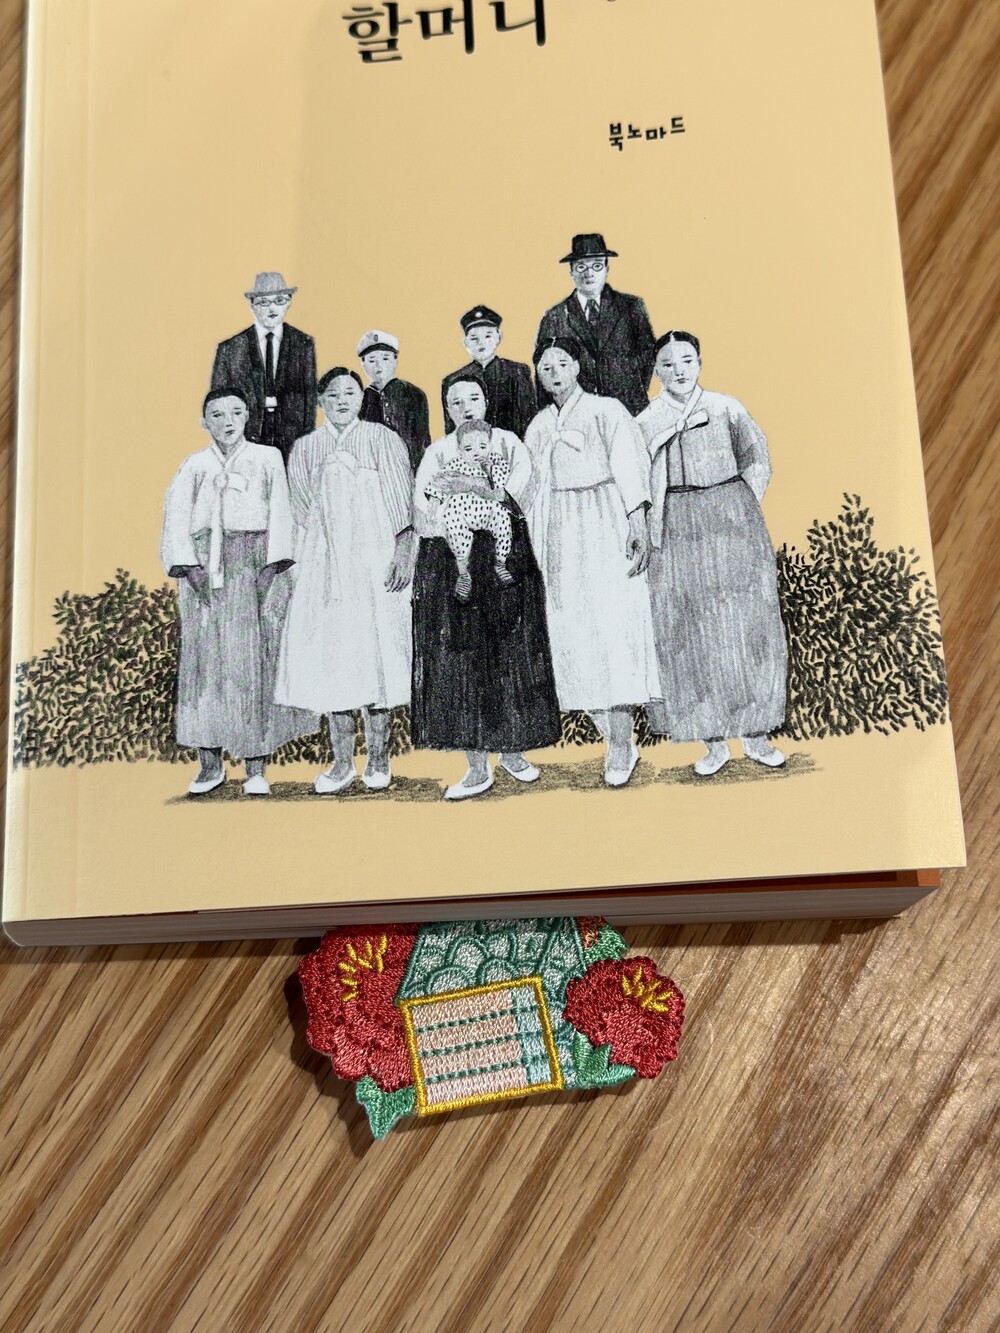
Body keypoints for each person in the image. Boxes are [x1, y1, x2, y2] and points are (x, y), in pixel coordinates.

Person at [636, 331, 787, 775]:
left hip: (730, 519)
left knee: (747, 625)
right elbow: (636, 480)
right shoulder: (645, 421)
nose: (678, 371)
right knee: (687, 630)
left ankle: (756, 735)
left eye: (686, 360)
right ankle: (712, 742)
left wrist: (740, 503)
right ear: (656, 371)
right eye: (667, 364)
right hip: (676, 525)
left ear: (699, 362)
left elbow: (757, 457)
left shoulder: (726, 407)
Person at [412, 374, 561, 800]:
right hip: (452, 557)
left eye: (473, 398)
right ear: (447, 409)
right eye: (456, 402)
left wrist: (474, 488)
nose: (466, 407)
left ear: (486, 402)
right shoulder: (437, 452)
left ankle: (513, 752)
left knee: (510, 650)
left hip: (503, 554)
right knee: (463, 656)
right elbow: (424, 507)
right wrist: (452, 510)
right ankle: (477, 767)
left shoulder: (508, 443)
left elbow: (517, 495)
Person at [524, 337, 661, 787]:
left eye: (562, 364)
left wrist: (637, 523)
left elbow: (631, 468)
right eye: (546, 367)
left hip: (603, 521)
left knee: (610, 631)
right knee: (570, 635)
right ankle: (613, 737)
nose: (555, 374)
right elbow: (529, 486)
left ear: (578, 366)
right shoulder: (539, 425)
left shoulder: (607, 411)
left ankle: (621, 743)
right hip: (558, 531)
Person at [274, 368, 415, 794]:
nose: (341, 401)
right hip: (325, 567)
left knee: (376, 657)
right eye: (332, 394)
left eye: (349, 393)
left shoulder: (382, 439)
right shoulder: (305, 448)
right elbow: (300, 511)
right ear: (320, 400)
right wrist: (304, 568)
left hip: (375, 564)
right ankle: (340, 763)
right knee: (333, 659)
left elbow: (403, 504)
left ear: (361, 398)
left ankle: (379, 759)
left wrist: (403, 554)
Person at [160, 388, 305, 797]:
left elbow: (281, 513)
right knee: (204, 664)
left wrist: (269, 571)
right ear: (204, 421)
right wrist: (192, 571)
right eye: (218, 414)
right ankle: (210, 764)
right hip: (204, 566)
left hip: (254, 563)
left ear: (247, 417)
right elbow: (176, 521)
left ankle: (255, 766)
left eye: (236, 413)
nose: (227, 421)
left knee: (252, 660)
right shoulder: (194, 465)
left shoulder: (266, 457)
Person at [534, 234, 655, 417]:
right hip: (578, 415)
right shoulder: (554, 316)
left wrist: (630, 392)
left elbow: (648, 357)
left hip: (629, 410)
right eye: (581, 267)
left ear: (607, 269)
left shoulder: (631, 307)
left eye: (597, 266)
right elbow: (542, 371)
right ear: (571, 271)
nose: (589, 273)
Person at [210, 272, 317, 468]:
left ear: (288, 302)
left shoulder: (303, 343)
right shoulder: (231, 349)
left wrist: (305, 441)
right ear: (252, 305)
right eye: (264, 302)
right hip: (246, 435)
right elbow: (217, 401)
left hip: (291, 436)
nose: (272, 308)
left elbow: (309, 398)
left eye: (279, 300)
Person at [424, 418, 514, 600]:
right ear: (459, 450)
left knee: (503, 519)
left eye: (482, 446)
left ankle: (500, 563)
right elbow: (439, 483)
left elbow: (500, 487)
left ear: (490, 446)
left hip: (488, 510)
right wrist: (433, 505)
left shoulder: (496, 462)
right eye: (468, 449)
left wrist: (490, 470)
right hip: (463, 511)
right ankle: (464, 573)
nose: (476, 453)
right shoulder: (455, 464)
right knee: (452, 519)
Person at [440, 306, 535, 438]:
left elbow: (528, 419)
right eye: (474, 338)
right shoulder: (452, 380)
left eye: (487, 336)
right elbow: (451, 430)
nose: (481, 343)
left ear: (499, 337)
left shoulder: (517, 372)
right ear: (465, 342)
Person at [356, 329, 431, 473]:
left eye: (385, 358)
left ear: (395, 360)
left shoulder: (413, 394)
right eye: (372, 360)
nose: (379, 365)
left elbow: (422, 441)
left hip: (408, 470)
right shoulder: (360, 399)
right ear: (363, 363)